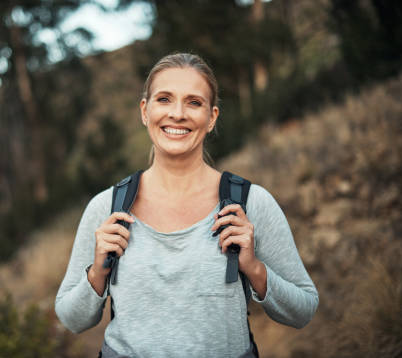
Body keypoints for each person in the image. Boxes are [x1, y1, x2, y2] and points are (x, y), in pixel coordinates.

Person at [55, 52, 318, 358]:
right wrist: (98, 270)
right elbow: (72, 319)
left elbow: (303, 310)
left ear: (212, 117)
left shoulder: (250, 203)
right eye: (164, 99)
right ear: (145, 111)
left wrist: (255, 269)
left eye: (194, 102)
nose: (177, 114)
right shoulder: (107, 208)